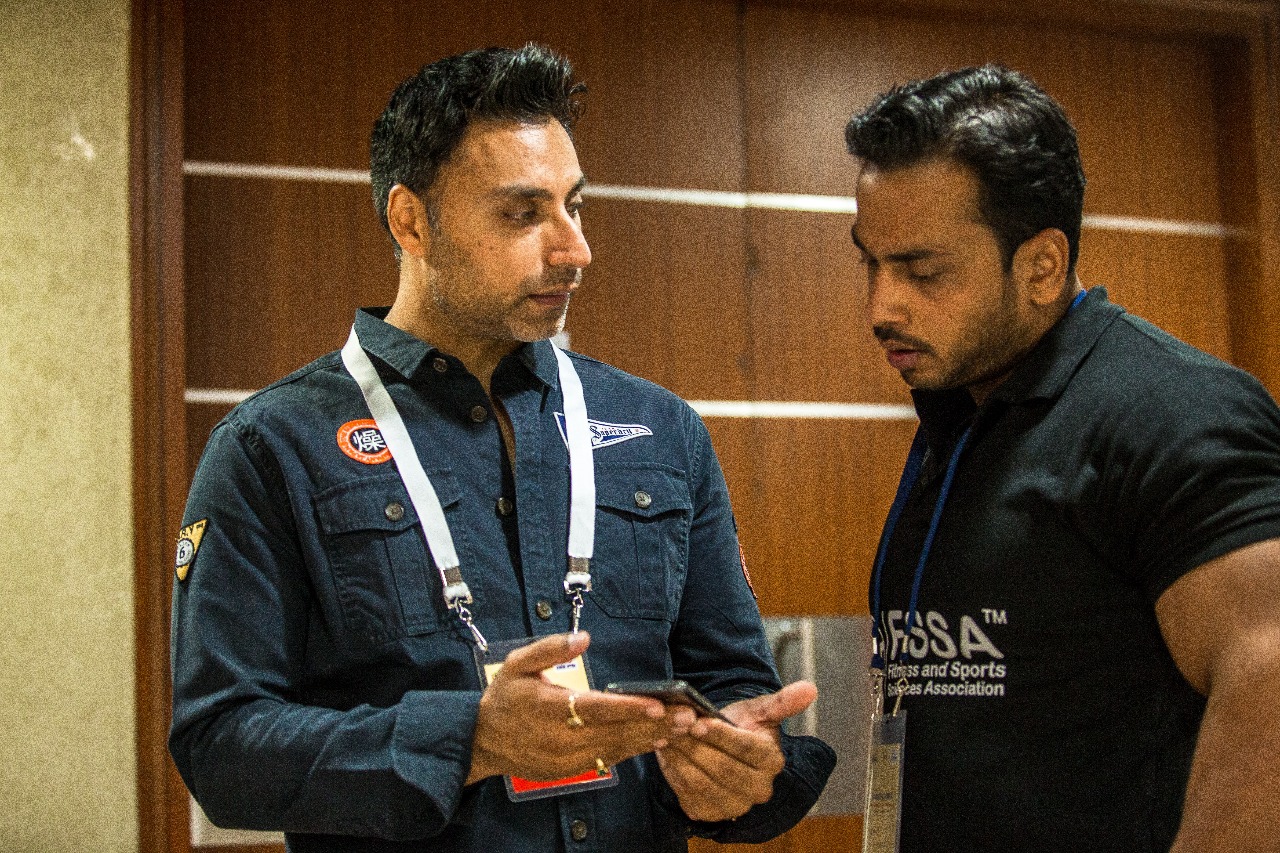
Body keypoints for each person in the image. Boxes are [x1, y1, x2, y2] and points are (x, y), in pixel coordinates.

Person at [169, 44, 834, 852]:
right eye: (523, 214)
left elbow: (733, 683)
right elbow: (221, 747)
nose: (574, 249)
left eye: (575, 206)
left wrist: (740, 765)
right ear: (412, 221)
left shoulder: (661, 429)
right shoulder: (271, 447)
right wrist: (472, 740)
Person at [845, 64, 1280, 852]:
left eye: (922, 270)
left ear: (1042, 266)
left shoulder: (1172, 409)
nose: (882, 305)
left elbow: (1271, 677)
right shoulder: (961, 414)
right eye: (870, 263)